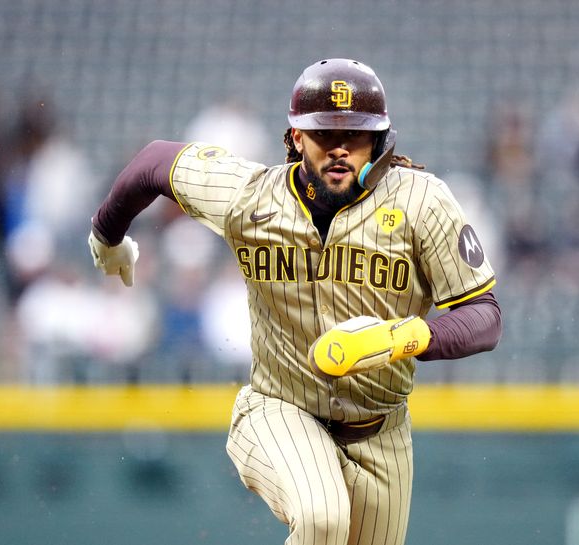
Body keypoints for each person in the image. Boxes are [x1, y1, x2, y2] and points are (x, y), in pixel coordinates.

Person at [88, 58, 501, 545]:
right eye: (325, 134)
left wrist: (404, 337)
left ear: (382, 140)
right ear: (297, 137)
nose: (341, 149)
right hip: (280, 409)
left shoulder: (421, 202)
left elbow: (484, 317)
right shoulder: (252, 197)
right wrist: (107, 237)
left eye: (357, 135)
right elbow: (154, 162)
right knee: (323, 518)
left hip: (382, 431)